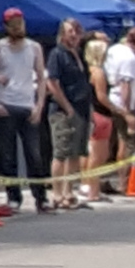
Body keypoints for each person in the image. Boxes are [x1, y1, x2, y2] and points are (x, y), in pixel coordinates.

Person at [0, 8, 51, 213]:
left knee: (34, 154)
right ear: (6, 27)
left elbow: (41, 77)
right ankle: (13, 197)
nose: (18, 27)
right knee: (8, 155)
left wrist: (39, 105)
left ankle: (41, 196)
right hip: (6, 104)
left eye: (20, 23)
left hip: (27, 104)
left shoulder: (34, 47)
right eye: (13, 25)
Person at [44, 19, 90, 209]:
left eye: (77, 31)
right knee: (61, 151)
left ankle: (68, 191)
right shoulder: (57, 54)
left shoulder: (78, 54)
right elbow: (52, 83)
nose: (74, 34)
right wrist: (67, 106)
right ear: (62, 34)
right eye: (70, 31)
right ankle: (56, 193)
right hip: (62, 111)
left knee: (75, 152)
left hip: (82, 109)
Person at [103, 28, 135, 190]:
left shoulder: (114, 50)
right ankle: (125, 181)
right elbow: (125, 84)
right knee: (127, 142)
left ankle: (120, 180)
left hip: (112, 97)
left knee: (117, 141)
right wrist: (128, 113)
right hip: (123, 103)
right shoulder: (129, 58)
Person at [83, 39, 113, 203]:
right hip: (100, 114)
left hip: (96, 114)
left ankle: (91, 187)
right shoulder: (98, 72)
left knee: (97, 154)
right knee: (98, 155)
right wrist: (117, 109)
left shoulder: (90, 70)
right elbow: (101, 96)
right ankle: (93, 190)